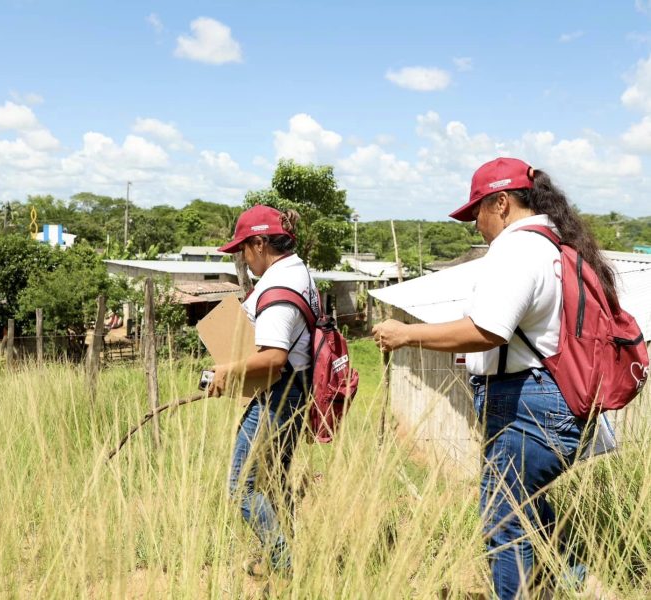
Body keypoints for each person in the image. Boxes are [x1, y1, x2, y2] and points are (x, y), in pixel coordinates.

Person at [373, 158, 615, 599]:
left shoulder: (519, 248)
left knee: (504, 524)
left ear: (501, 203)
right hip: (547, 402)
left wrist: (407, 334)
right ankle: (580, 585)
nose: (476, 226)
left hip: (527, 407)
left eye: (477, 213)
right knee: (527, 514)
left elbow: (487, 329)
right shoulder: (551, 245)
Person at [209, 204, 319, 577]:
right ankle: (288, 558)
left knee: (243, 487)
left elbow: (274, 357)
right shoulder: (297, 272)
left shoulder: (279, 287)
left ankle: (285, 568)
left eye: (243, 248)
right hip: (293, 389)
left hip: (279, 393)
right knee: (273, 482)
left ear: (259, 242)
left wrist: (228, 370)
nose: (242, 258)